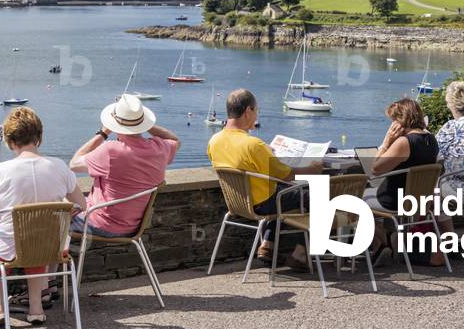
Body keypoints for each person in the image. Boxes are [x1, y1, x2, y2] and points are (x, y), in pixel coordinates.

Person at [0, 107, 85, 327]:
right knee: (36, 244)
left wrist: (0, 214)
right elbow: (81, 204)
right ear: (39, 137)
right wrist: (56, 213)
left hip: (10, 248)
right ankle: (36, 309)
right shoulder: (59, 167)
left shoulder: (0, 171)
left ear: (10, 141)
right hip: (51, 247)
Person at [206, 89, 321, 269]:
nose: (257, 114)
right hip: (263, 202)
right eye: (257, 110)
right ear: (248, 111)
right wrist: (312, 169)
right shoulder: (254, 145)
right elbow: (287, 175)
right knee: (315, 195)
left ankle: (267, 245)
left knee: (280, 193)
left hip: (238, 202)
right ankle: (300, 254)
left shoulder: (214, 140)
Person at [70, 94, 180, 239]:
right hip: (133, 227)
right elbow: (174, 139)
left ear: (114, 124)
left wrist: (103, 133)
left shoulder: (111, 151)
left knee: (48, 219)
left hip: (99, 223)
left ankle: (57, 261)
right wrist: (144, 124)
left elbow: (74, 164)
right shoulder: (159, 148)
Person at [364, 98, 439, 261]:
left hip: (395, 200)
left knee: (353, 201)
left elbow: (375, 169)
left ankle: (383, 242)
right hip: (417, 200)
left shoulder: (404, 142)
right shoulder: (431, 140)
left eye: (393, 121)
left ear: (400, 121)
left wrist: (386, 142)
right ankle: (386, 242)